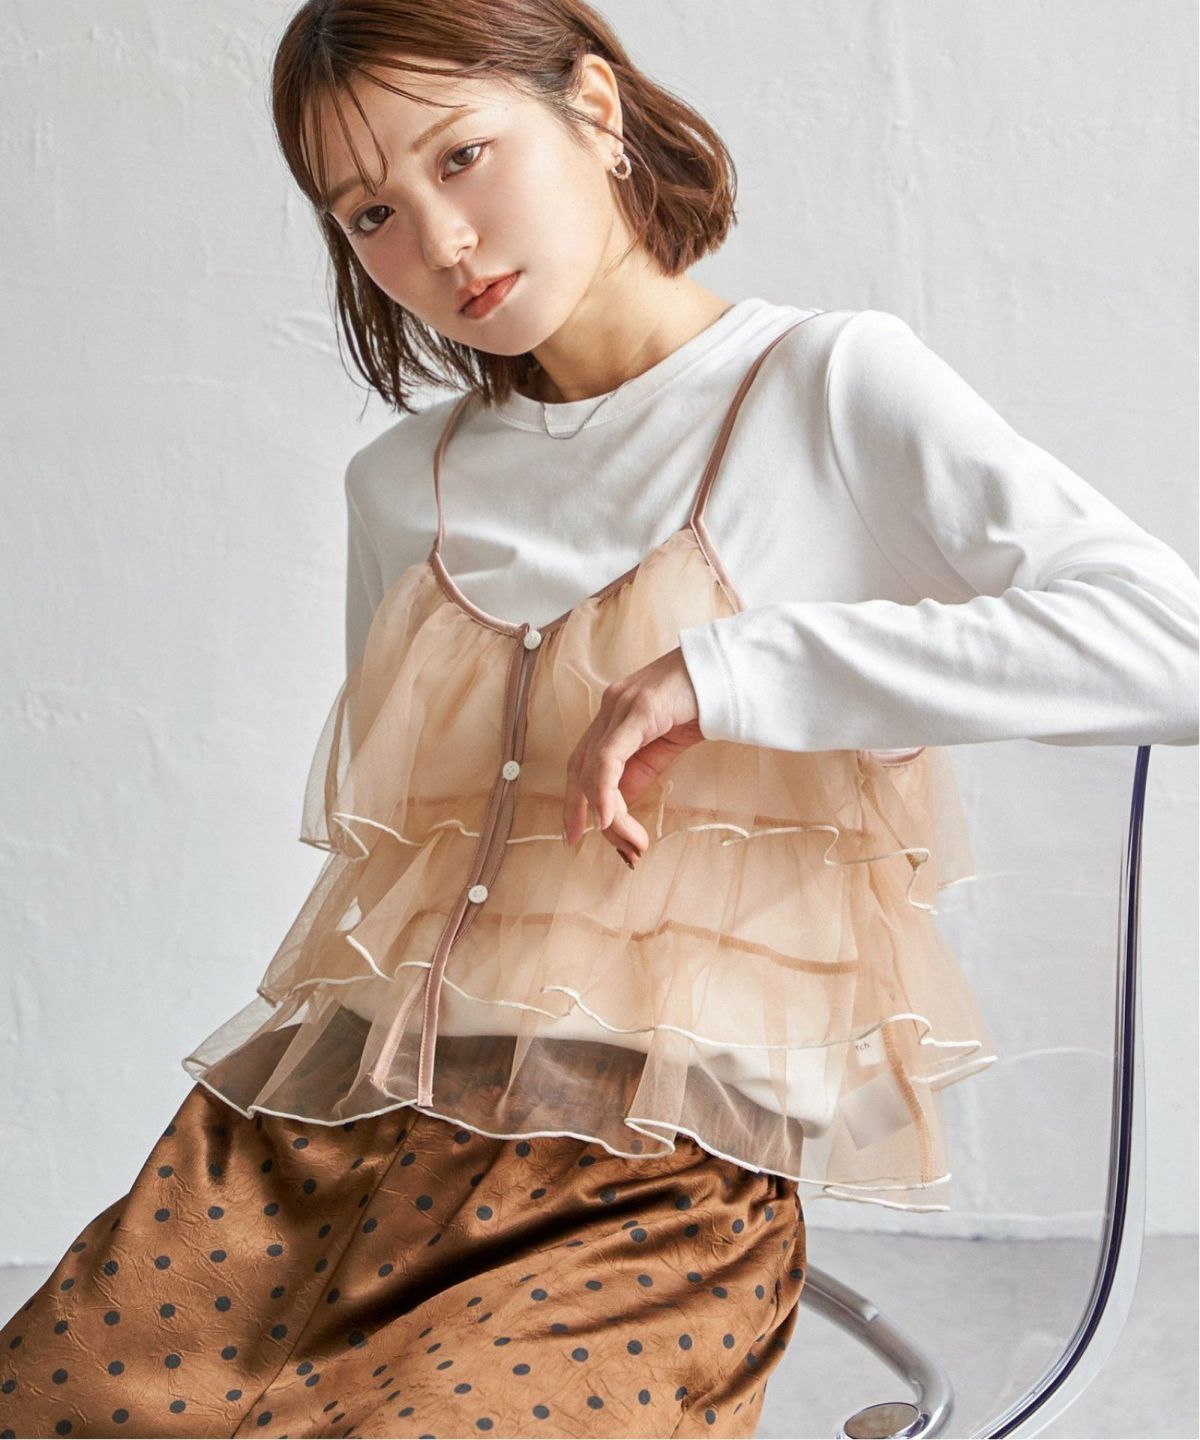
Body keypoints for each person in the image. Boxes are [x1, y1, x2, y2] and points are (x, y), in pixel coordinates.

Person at [2, 2, 1196, 1437]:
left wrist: (734, 673)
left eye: (463, 156)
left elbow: (1172, 646)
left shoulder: (820, 388)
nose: (441, 243)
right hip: (310, 1143)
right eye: (372, 211)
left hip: (642, 1183)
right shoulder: (401, 485)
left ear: (595, 107)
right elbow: (407, 873)